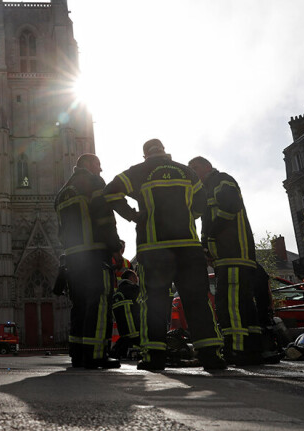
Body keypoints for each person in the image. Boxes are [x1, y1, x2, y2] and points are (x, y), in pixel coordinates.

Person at [103, 139, 225, 371]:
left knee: (154, 302)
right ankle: (211, 355)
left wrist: (133, 215)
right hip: (188, 248)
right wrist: (186, 217)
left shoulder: (139, 171)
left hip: (154, 249)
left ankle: (153, 357)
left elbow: (109, 192)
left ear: (145, 155)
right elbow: (201, 205)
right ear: (164, 151)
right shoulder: (187, 172)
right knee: (198, 300)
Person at [188, 156, 264, 366]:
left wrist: (211, 237)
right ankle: (254, 349)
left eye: (196, 168)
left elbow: (229, 207)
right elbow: (207, 221)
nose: (194, 173)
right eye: (191, 170)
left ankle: (235, 349)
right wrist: (206, 246)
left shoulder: (221, 180)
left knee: (229, 304)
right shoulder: (206, 190)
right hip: (230, 256)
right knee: (244, 304)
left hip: (233, 253)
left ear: (208, 167)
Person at [55, 153, 123, 369]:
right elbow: (104, 217)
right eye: (98, 164)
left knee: (80, 305)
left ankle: (77, 355)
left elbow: (60, 230)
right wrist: (115, 247)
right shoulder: (93, 183)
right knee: (100, 302)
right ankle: (96, 355)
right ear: (87, 164)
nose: (100, 170)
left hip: (73, 258)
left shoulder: (62, 193)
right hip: (94, 254)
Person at [110, 269, 140, 359]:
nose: (137, 280)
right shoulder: (134, 290)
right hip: (137, 333)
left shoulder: (117, 293)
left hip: (124, 334)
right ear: (131, 277)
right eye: (136, 278)